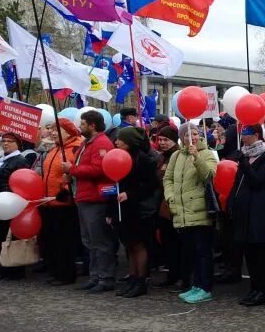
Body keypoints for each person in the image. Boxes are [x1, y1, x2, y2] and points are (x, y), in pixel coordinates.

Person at [164, 123, 219, 304]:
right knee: (191, 252)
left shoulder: (206, 154)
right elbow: (168, 178)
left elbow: (209, 176)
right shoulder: (176, 155)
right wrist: (171, 197)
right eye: (188, 135)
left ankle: (205, 287)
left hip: (200, 211)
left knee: (203, 251)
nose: (192, 138)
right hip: (182, 212)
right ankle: (196, 285)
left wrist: (197, 157)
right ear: (182, 138)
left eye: (195, 134)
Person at [68, 111, 118, 293]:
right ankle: (95, 276)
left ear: (92, 125)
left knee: (100, 241)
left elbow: (99, 169)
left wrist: (73, 170)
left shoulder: (102, 143)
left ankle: (106, 277)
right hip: (85, 196)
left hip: (95, 199)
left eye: (82, 124)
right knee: (89, 240)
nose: (80, 127)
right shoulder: (87, 143)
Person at [231, 125, 265, 307]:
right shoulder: (245, 154)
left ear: (257, 135)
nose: (243, 138)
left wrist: (244, 163)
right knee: (249, 253)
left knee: (261, 254)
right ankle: (254, 287)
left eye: (247, 134)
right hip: (245, 210)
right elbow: (239, 182)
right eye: (242, 134)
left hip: (260, 211)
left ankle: (263, 290)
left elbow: (257, 181)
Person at [111, 127, 160, 298]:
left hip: (138, 209)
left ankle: (141, 281)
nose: (116, 142)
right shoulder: (117, 157)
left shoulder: (143, 159)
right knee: (129, 245)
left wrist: (130, 194)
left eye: (120, 140)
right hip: (122, 208)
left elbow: (151, 185)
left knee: (139, 245)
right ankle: (132, 278)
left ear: (129, 141)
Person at [38, 120, 83, 286]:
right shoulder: (56, 149)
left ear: (69, 132)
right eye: (53, 130)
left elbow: (72, 176)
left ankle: (66, 274)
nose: (53, 133)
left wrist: (62, 194)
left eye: (58, 130)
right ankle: (57, 271)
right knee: (53, 240)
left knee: (64, 241)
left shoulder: (74, 148)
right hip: (50, 202)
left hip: (64, 203)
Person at [0, 133, 31, 280]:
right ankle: (3, 266)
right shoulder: (1, 159)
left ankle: (14, 269)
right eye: (3, 141)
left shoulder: (20, 160)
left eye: (10, 141)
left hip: (10, 201)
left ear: (17, 144)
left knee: (11, 235)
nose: (5, 144)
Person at [152, 125, 182, 289]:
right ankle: (172, 274)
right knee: (168, 242)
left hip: (173, 204)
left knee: (177, 243)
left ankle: (181, 275)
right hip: (162, 205)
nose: (162, 143)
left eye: (166, 140)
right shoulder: (161, 157)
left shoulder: (177, 156)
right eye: (160, 140)